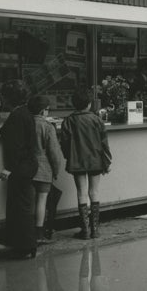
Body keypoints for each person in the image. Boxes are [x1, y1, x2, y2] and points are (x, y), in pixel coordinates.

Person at [60, 89, 112, 239]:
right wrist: (107, 161)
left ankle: (85, 230)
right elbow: (104, 143)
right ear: (89, 104)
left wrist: (68, 157)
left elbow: (64, 144)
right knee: (94, 192)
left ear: (74, 104)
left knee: (81, 192)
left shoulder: (68, 121)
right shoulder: (96, 120)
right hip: (95, 160)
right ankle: (95, 229)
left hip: (77, 161)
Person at [0, 79, 38, 258]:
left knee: (19, 206)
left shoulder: (16, 117)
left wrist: (10, 169)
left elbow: (15, 147)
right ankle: (27, 244)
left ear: (8, 98)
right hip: (27, 166)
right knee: (24, 205)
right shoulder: (26, 113)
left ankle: (24, 245)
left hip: (19, 168)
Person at [28, 95, 64, 244]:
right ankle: (39, 233)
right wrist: (56, 171)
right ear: (43, 111)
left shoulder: (26, 123)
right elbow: (54, 153)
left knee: (29, 201)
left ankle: (28, 232)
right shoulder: (48, 127)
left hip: (26, 167)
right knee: (41, 201)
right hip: (43, 169)